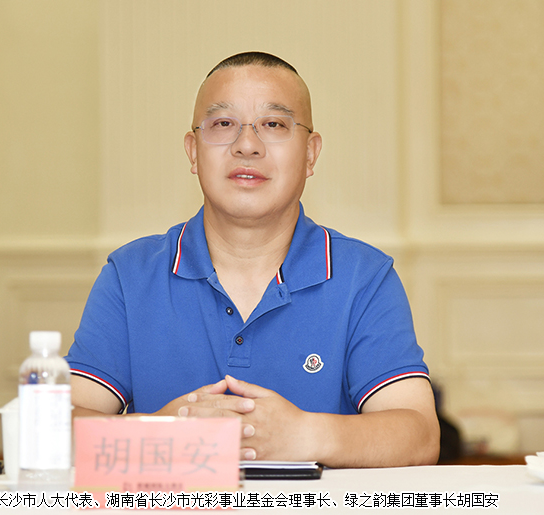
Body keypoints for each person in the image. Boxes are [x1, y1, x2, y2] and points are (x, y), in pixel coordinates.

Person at [66, 51, 440, 468]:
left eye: (274, 125)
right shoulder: (131, 275)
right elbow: (54, 425)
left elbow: (420, 435)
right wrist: (158, 434)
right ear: (193, 151)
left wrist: (305, 434)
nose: (247, 145)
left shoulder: (363, 278)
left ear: (311, 153)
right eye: (223, 124)